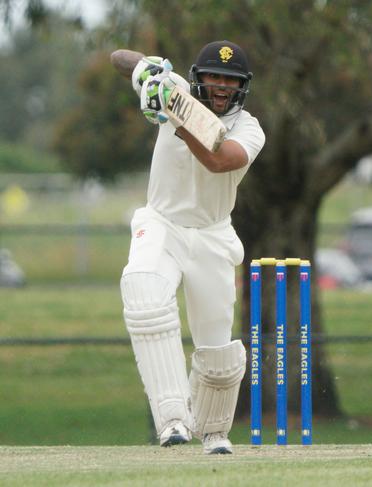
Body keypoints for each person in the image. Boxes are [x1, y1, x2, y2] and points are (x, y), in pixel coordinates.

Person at [110, 40, 265, 454]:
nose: (220, 86)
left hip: (212, 235)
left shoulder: (249, 128)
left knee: (217, 352)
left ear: (241, 87)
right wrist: (150, 73)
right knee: (143, 291)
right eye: (213, 76)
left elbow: (219, 160)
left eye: (230, 80)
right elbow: (119, 59)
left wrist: (176, 118)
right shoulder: (173, 87)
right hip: (162, 223)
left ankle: (213, 431)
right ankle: (172, 418)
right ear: (199, 76)